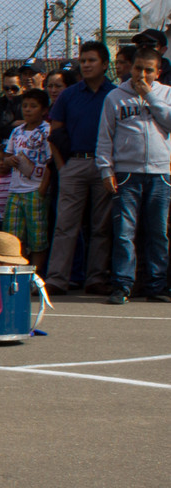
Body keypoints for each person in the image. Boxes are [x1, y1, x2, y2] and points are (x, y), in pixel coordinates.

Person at [96, 48, 171, 304]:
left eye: (149, 69)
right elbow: (105, 136)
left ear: (158, 72)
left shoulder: (166, 93)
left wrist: (149, 95)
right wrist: (106, 169)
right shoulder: (115, 97)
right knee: (124, 232)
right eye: (138, 68)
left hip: (161, 173)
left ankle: (156, 285)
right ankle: (122, 285)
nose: (142, 74)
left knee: (158, 232)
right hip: (127, 174)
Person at [45, 40, 117, 295]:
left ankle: (96, 278)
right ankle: (56, 279)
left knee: (101, 226)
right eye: (83, 60)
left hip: (104, 165)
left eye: (91, 60)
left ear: (105, 64)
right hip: (74, 163)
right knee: (65, 224)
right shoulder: (69, 94)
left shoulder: (115, 94)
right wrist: (64, 167)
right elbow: (55, 131)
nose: (85, 65)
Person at [1, 89, 53, 265]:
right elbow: (6, 157)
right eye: (25, 106)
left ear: (44, 110)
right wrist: (10, 160)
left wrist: (42, 189)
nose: (28, 110)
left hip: (35, 190)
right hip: (15, 190)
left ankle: (35, 274)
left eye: (33, 106)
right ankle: (15, 272)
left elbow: (50, 162)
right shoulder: (16, 132)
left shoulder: (46, 131)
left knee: (37, 236)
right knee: (12, 236)